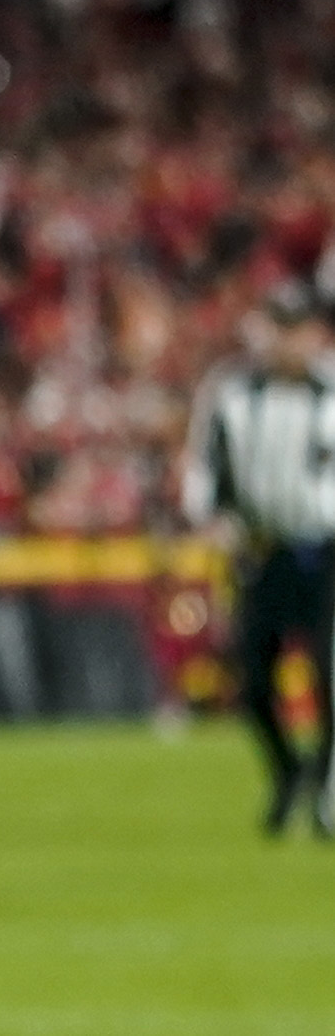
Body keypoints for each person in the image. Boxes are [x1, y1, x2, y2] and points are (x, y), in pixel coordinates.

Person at [182, 279, 335, 834]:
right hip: (261, 549)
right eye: (278, 327)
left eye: (296, 329)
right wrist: (210, 519)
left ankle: (325, 784)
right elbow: (206, 466)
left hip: (323, 549)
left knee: (327, 671)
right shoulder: (232, 393)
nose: (286, 342)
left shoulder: (331, 393)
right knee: (252, 679)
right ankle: (290, 770)